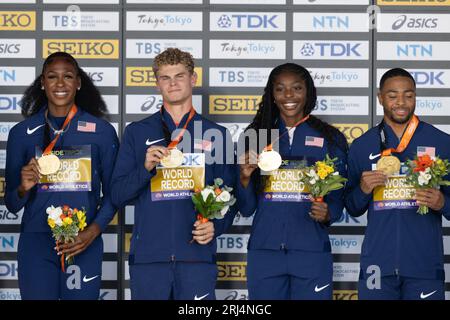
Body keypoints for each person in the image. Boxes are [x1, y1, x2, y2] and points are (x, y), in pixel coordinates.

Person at [110, 48, 236, 300]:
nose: (173, 83)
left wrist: (216, 226)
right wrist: (144, 170)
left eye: (180, 75)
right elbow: (117, 194)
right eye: (165, 78)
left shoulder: (217, 134)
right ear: (157, 84)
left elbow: (230, 198)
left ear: (193, 79)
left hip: (197, 258)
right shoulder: (137, 132)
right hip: (149, 260)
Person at [4, 52, 119, 300]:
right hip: (36, 243)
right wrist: (23, 187)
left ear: (78, 83)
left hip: (82, 243)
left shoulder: (102, 132)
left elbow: (114, 195)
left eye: (67, 76)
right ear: (42, 83)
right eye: (52, 77)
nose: (59, 83)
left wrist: (91, 232)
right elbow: (12, 204)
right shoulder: (22, 133)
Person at [236, 63, 348, 300]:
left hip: (311, 252)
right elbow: (246, 208)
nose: (289, 96)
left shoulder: (330, 137)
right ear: (271, 95)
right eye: (280, 89)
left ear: (308, 92)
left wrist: (328, 213)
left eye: (296, 88)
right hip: (265, 253)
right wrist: (244, 178)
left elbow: (337, 201)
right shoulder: (255, 135)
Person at [345, 68, 450, 300]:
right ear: (380, 97)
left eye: (408, 95)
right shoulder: (362, 146)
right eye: (392, 96)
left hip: (424, 265)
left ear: (415, 96)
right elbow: (352, 207)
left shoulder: (441, 142)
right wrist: (363, 190)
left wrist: (442, 202)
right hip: (377, 265)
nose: (401, 102)